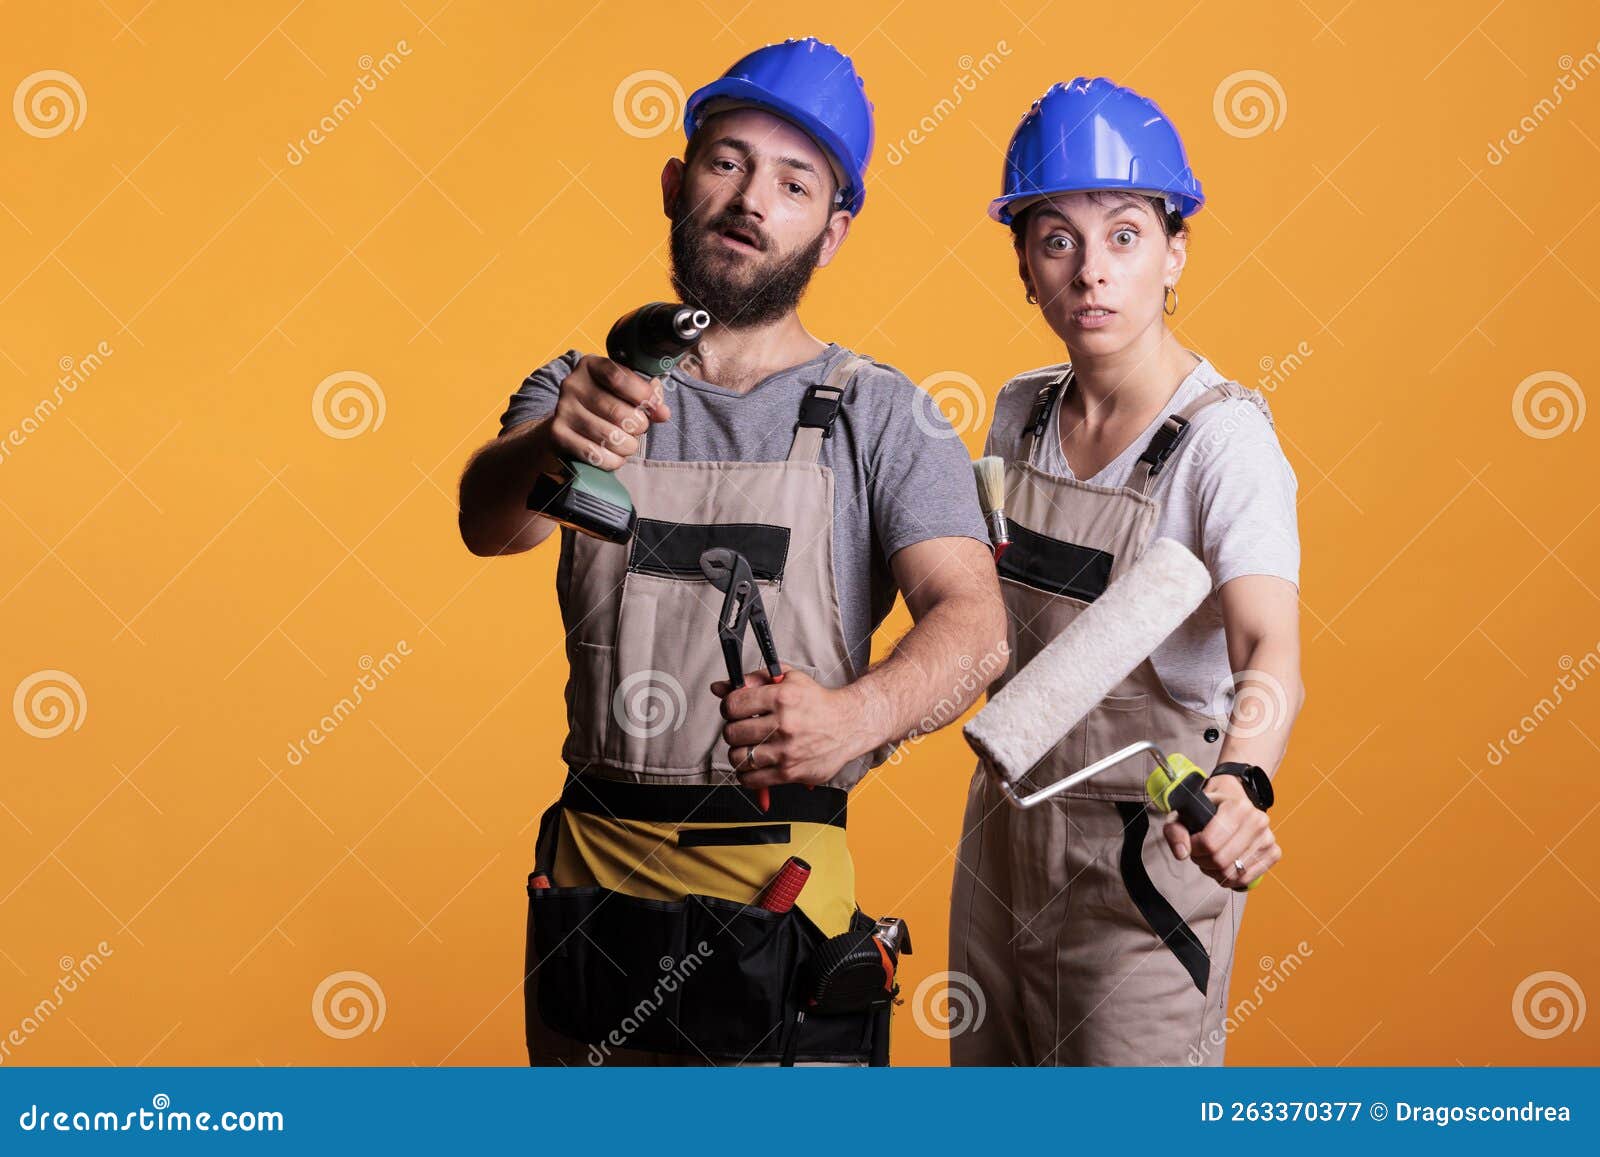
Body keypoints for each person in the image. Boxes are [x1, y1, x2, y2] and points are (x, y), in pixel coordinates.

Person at [457, 37, 1006, 1066]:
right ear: (677, 183)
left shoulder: (885, 417)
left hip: (778, 893)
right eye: (728, 162)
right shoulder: (589, 386)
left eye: (794, 182)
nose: (754, 198)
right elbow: (493, 522)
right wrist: (552, 443)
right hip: (593, 887)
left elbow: (976, 624)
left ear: (831, 232)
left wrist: (858, 713)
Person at [948, 77, 1305, 1066]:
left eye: (1123, 234)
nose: (1089, 273)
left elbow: (1269, 643)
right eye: (1056, 238)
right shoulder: (1016, 415)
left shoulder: (1222, 443)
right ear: (1023, 263)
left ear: (1173, 249)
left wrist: (1242, 779)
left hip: (1140, 871)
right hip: (1001, 847)